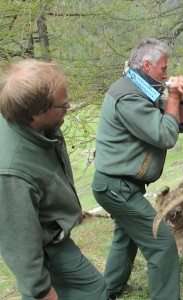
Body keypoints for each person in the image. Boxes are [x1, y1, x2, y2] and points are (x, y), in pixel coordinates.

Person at [91, 39, 183, 300]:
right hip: (117, 187)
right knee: (162, 244)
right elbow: (165, 135)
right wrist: (172, 95)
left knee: (125, 237)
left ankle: (112, 289)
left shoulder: (143, 88)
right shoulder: (128, 95)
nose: (166, 75)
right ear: (147, 65)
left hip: (121, 185)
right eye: (163, 69)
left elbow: (178, 125)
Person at [0, 59, 107, 300]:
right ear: (38, 112)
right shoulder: (11, 171)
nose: (69, 106)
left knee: (94, 290)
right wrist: (41, 291)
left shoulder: (34, 125)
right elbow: (18, 243)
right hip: (43, 245)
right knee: (93, 292)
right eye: (63, 104)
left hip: (50, 233)